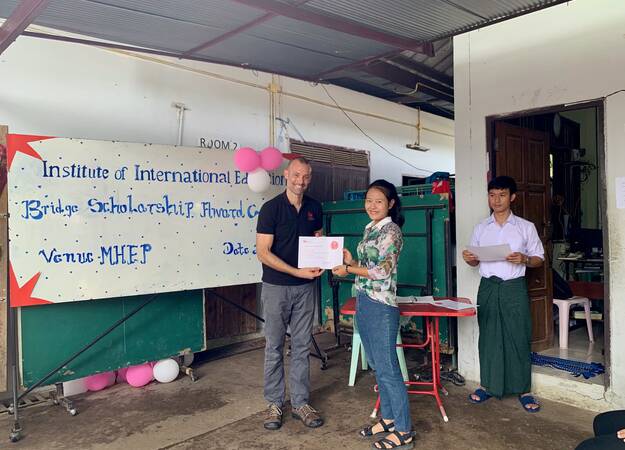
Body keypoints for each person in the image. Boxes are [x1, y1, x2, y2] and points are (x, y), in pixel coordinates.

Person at [332, 179, 415, 450]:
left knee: (389, 369)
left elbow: (382, 271)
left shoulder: (392, 231)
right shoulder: (370, 228)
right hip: (365, 300)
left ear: (390, 204)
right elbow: (367, 266)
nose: (372, 205)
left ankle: (404, 431)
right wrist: (351, 263)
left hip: (381, 305)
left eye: (379, 201)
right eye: (369, 200)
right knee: (379, 366)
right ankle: (389, 419)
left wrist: (349, 271)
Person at [462, 176, 544, 412]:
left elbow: (539, 258)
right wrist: (469, 259)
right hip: (488, 286)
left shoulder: (525, 227)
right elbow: (473, 264)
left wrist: (525, 259)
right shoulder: (481, 228)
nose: (496, 200)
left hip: (513, 287)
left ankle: (524, 390)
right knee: (489, 336)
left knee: (517, 335)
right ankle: (488, 385)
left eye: (502, 195)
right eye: (492, 195)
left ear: (512, 197)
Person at [255, 156, 324, 430]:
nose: (301, 182)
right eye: (296, 175)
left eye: (305, 177)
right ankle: (274, 403)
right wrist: (296, 272)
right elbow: (263, 252)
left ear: (310, 177)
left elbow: (319, 240)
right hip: (276, 288)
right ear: (286, 174)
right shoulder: (270, 209)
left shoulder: (314, 207)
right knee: (273, 346)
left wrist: (323, 258)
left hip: (305, 289)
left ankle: (300, 402)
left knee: (301, 346)